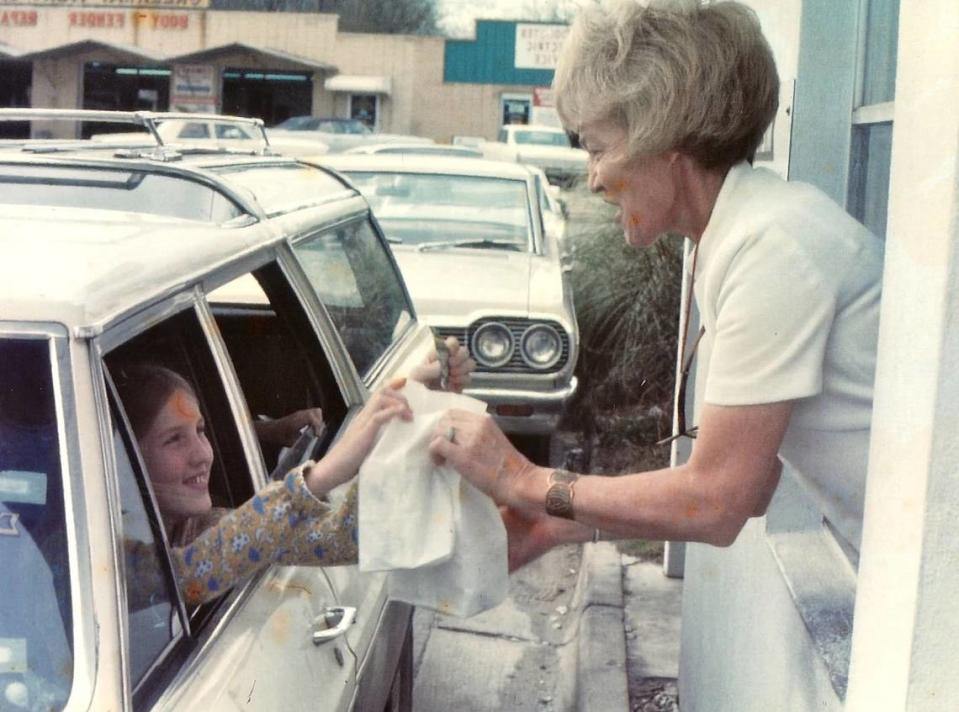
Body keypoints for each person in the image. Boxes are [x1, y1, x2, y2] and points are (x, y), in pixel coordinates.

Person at [429, 0, 882, 570]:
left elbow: (718, 501)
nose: (592, 179)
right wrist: (563, 522)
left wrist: (522, 478)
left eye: (597, 147)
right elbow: (751, 482)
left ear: (664, 136)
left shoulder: (773, 244)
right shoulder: (746, 229)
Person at [118, 337, 473, 605]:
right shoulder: (102, 555)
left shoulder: (202, 527)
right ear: (125, 461)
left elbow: (343, 538)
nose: (202, 454)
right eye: (174, 440)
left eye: (200, 431)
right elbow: (188, 576)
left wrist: (413, 412)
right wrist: (318, 478)